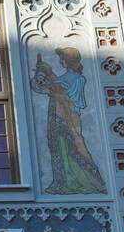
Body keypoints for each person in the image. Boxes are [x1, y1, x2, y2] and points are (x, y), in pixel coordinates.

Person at [32, 48, 106, 195]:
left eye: (62, 58)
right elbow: (46, 87)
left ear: (69, 61)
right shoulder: (67, 77)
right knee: (60, 148)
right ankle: (63, 182)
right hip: (58, 117)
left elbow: (60, 93)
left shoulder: (75, 79)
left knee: (69, 148)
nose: (60, 61)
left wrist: (47, 74)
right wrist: (44, 75)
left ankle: (81, 182)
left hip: (65, 118)